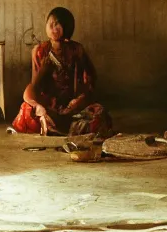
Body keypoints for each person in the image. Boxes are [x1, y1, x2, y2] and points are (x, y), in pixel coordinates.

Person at [11, 7, 111, 136]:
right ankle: (50, 124)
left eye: (57, 24)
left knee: (99, 113)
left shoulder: (77, 50)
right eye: (50, 23)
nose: (52, 27)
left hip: (73, 106)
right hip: (49, 106)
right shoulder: (39, 50)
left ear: (67, 27)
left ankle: (56, 127)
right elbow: (35, 87)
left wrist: (77, 102)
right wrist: (43, 71)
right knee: (26, 109)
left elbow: (89, 80)